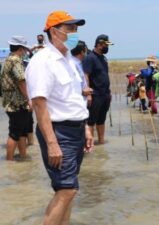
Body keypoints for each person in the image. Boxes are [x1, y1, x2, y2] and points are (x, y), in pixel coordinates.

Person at [25, 10, 93, 225]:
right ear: (54, 32)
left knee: (69, 189)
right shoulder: (42, 61)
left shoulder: (70, 61)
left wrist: (86, 128)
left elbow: (73, 98)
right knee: (67, 189)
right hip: (58, 132)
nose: (74, 33)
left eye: (76, 29)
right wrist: (52, 143)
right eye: (70, 28)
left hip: (76, 129)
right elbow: (39, 104)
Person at [0, 36, 31, 160]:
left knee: (22, 131)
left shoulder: (7, 60)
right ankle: (10, 161)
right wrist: (28, 98)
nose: (25, 52)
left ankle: (23, 156)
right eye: (24, 49)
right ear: (21, 48)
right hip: (16, 103)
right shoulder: (16, 60)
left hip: (10, 102)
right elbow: (21, 80)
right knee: (14, 133)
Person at [83, 34, 113, 144]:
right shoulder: (90, 58)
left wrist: (108, 93)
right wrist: (89, 94)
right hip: (95, 95)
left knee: (101, 120)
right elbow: (86, 75)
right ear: (99, 44)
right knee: (91, 121)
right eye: (106, 45)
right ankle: (89, 144)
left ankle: (101, 142)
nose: (107, 48)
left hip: (105, 94)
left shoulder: (103, 58)